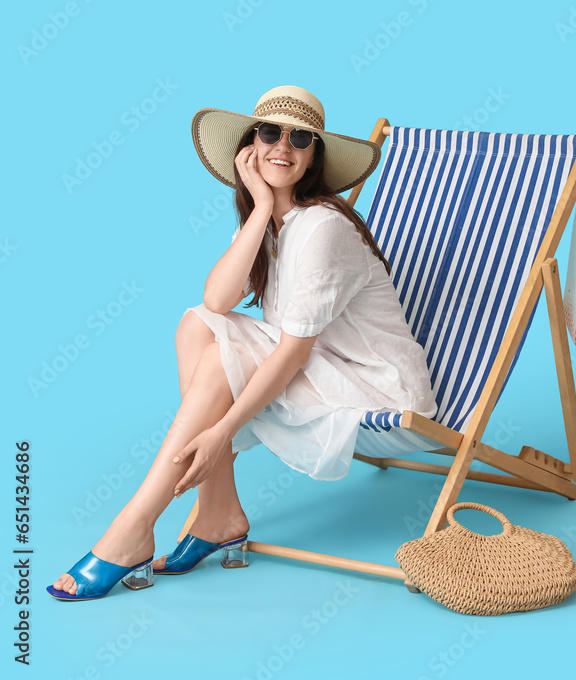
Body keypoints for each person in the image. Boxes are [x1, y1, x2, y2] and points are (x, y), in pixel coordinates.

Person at [47, 84, 438, 601]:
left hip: (378, 389)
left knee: (216, 358)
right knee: (199, 324)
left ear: (314, 156)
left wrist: (222, 433)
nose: (283, 147)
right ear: (251, 144)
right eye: (271, 132)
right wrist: (257, 209)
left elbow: (294, 351)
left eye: (301, 139)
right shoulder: (272, 224)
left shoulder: (323, 227)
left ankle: (134, 527)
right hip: (325, 371)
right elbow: (216, 300)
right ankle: (217, 515)